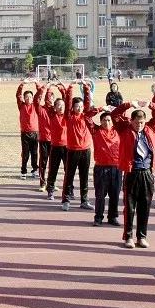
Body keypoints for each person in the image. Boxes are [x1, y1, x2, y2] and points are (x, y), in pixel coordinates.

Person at [112, 99, 155, 249]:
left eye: (141, 123)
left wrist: (150, 105)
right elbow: (115, 114)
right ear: (131, 121)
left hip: (147, 173)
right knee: (130, 207)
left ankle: (142, 236)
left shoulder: (150, 129)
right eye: (136, 123)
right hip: (132, 172)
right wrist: (129, 104)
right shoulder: (124, 129)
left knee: (145, 206)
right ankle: (128, 236)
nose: (139, 125)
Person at [61, 80, 94, 211]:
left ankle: (84, 200)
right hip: (72, 150)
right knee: (69, 176)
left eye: (81, 106)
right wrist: (70, 87)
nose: (79, 108)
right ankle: (66, 200)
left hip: (86, 150)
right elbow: (68, 101)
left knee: (84, 176)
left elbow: (88, 101)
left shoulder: (86, 115)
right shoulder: (69, 116)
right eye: (77, 106)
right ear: (73, 107)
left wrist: (85, 86)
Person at [87, 107, 121, 227]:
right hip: (101, 168)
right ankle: (98, 217)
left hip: (116, 168)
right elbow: (87, 117)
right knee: (100, 195)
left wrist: (117, 110)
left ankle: (112, 217)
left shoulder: (118, 131)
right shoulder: (96, 130)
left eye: (109, 120)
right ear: (100, 121)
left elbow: (124, 119)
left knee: (115, 194)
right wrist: (100, 109)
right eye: (104, 120)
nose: (107, 122)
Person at [42, 84, 68, 201]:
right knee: (53, 170)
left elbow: (67, 99)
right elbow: (48, 102)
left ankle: (69, 190)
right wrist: (49, 88)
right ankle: (50, 191)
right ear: (55, 107)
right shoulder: (52, 115)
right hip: (55, 147)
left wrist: (62, 89)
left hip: (67, 147)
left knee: (68, 170)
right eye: (58, 105)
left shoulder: (67, 116)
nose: (61, 107)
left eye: (63, 105)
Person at [15, 80, 39, 179]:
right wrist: (22, 84)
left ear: (33, 98)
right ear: (24, 98)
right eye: (26, 97)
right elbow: (18, 95)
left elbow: (39, 94)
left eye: (30, 97)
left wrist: (36, 83)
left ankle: (34, 170)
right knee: (25, 154)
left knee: (34, 153)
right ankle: (23, 171)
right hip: (25, 133)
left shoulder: (36, 106)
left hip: (35, 133)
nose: (28, 98)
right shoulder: (21, 105)